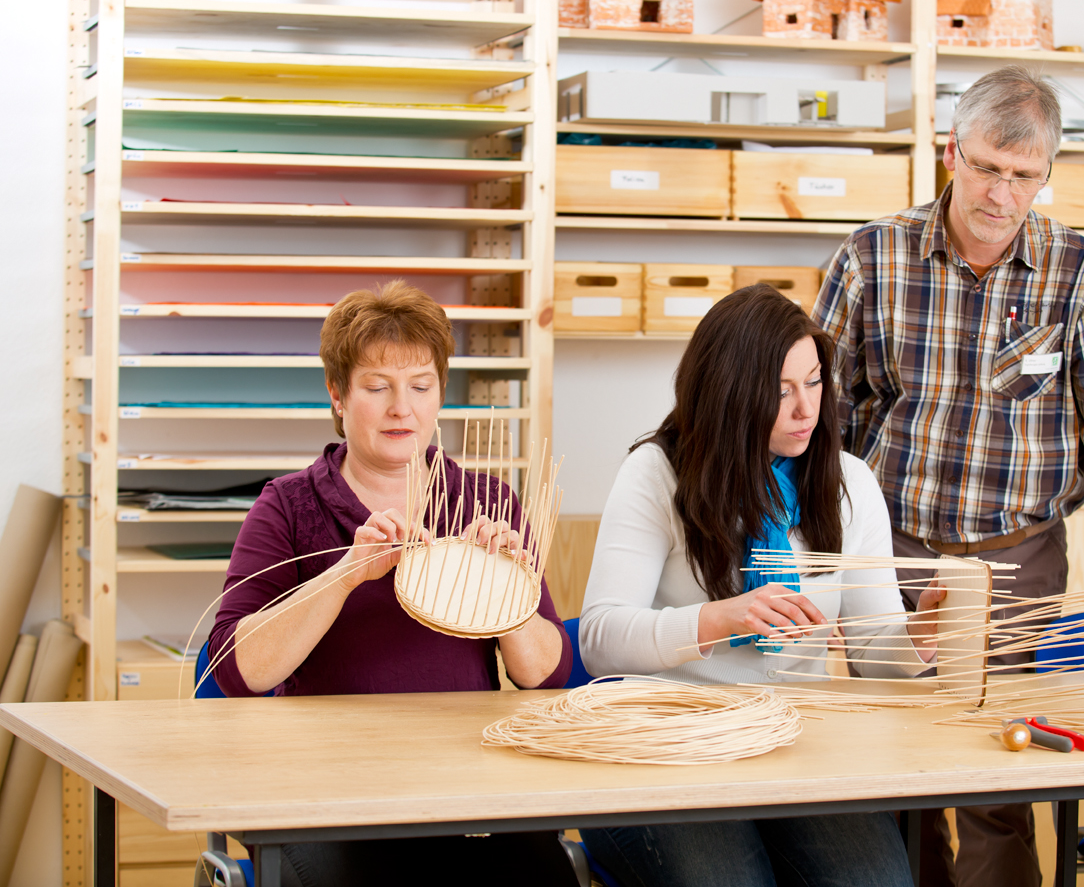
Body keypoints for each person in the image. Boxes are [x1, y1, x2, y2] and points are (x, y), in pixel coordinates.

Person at [812, 65, 1084, 887]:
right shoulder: (871, 257)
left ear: (1046, 175)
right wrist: (802, 544)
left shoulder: (1077, 272)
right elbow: (813, 419)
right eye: (985, 166)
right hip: (892, 554)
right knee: (898, 769)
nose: (999, 193)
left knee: (1001, 772)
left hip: (1017, 558)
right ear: (952, 152)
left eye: (1022, 176)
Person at [207, 280, 577, 887]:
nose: (401, 408)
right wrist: (346, 575)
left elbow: (547, 673)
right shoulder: (288, 506)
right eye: (378, 388)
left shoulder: (486, 501)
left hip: (470, 782)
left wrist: (507, 593)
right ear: (338, 394)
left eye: (421, 387)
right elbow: (237, 671)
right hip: (330, 791)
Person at [578, 284, 940, 887]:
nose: (806, 409)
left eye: (815, 382)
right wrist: (720, 618)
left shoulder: (849, 483)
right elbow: (600, 638)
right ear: (729, 393)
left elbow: (874, 653)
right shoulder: (657, 473)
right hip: (668, 748)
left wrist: (920, 636)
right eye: (780, 391)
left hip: (797, 746)